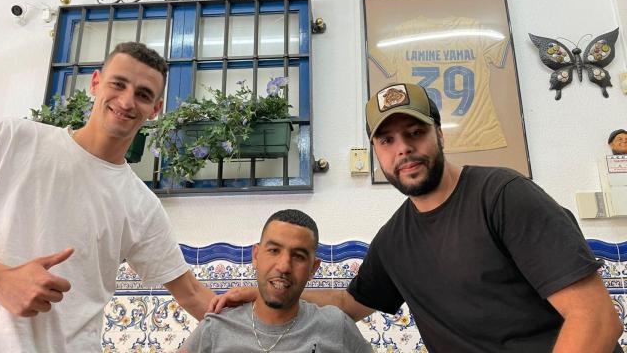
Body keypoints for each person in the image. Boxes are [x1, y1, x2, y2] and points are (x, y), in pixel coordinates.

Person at [210, 83, 624, 353]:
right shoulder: (393, 242)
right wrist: (260, 292)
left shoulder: (503, 196)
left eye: (415, 133)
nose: (402, 149)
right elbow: (347, 303)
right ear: (376, 152)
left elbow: (597, 320)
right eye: (387, 140)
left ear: (440, 135)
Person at [0, 42, 215, 352]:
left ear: (155, 110)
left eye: (143, 94)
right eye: (118, 84)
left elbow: (192, 294)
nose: (126, 101)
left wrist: (266, 314)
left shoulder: (142, 205)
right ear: (96, 82)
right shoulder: (13, 139)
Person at [180, 209, 372, 353]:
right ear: (256, 256)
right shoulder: (216, 327)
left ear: (313, 268)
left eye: (298, 256)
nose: (284, 266)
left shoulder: (336, 326)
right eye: (273, 251)